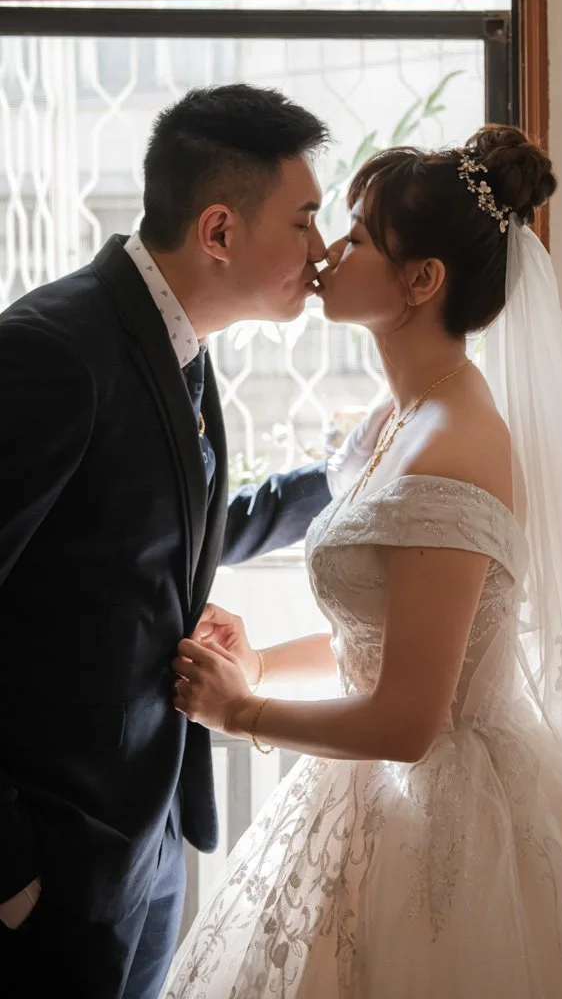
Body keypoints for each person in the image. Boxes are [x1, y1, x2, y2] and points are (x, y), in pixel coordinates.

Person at [163, 126, 562, 998]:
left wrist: (242, 712)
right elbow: (391, 639)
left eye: (358, 238)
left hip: (440, 821)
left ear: (421, 281)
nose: (328, 253)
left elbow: (409, 722)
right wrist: (259, 662)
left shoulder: (454, 445)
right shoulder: (398, 420)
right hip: (368, 798)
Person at [0, 85, 380, 999]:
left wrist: (344, 477)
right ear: (218, 230)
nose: (322, 250)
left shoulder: (177, 344)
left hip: (151, 833)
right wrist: (11, 867)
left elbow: (177, 517)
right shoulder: (52, 350)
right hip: (53, 861)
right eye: (305, 219)